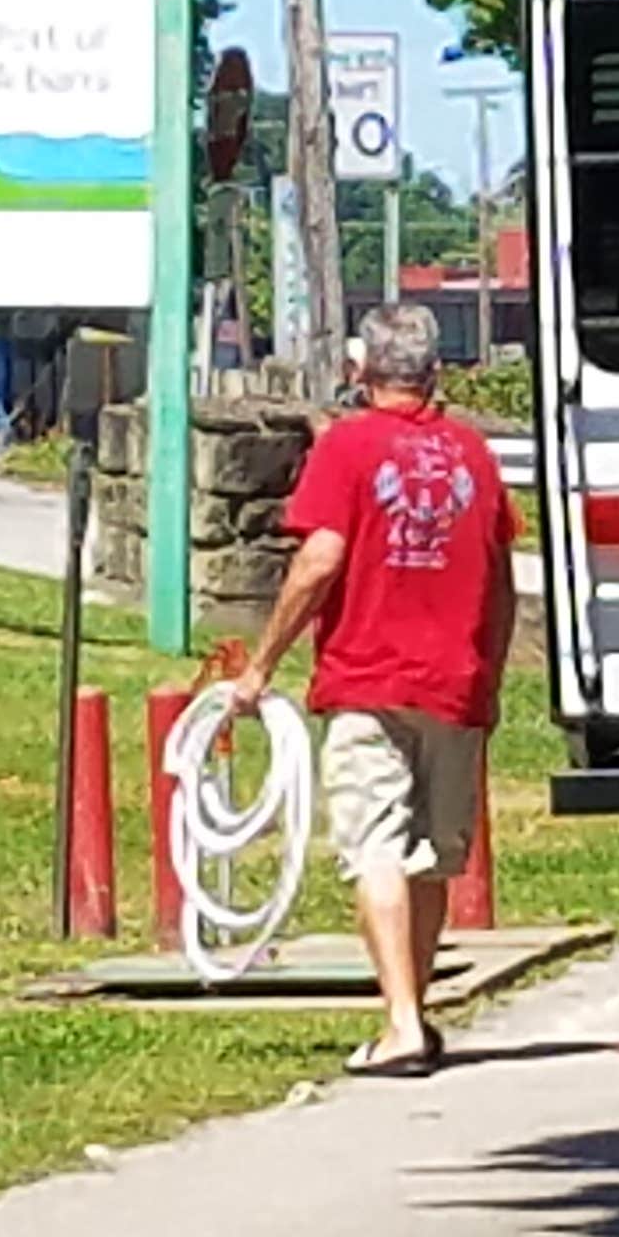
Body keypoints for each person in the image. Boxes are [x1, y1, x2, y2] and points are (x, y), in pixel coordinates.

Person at [227, 304, 518, 1077]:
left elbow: (321, 559)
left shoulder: (347, 446)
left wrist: (261, 663)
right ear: (436, 372)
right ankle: (413, 1014)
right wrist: (486, 671)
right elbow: (500, 578)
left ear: (360, 371)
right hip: (455, 683)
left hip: (368, 676)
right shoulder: (473, 455)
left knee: (376, 847)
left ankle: (400, 1024)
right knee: (429, 856)